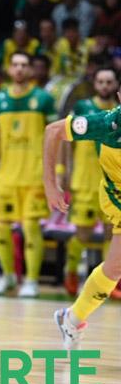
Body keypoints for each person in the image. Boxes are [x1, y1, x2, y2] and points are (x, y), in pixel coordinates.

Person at [43, 91, 121, 350]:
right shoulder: (107, 123)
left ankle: (72, 319)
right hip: (117, 196)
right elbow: (53, 130)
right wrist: (51, 184)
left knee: (113, 269)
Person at [0, 51, 56, 297]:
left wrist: (57, 172)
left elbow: (55, 136)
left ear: (31, 70)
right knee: (1, 227)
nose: (20, 69)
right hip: (6, 177)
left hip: (34, 175)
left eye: (25, 65)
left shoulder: (43, 99)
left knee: (31, 227)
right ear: (9, 69)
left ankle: (32, 280)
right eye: (15, 65)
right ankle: (8, 276)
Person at [62, 68, 117, 295]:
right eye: (101, 81)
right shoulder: (83, 107)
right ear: (95, 84)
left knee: (112, 232)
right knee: (82, 233)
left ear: (115, 85)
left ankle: (112, 283)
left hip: (113, 182)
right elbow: (65, 138)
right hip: (84, 181)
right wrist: (63, 169)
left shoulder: (118, 111)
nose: (105, 85)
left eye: (109, 82)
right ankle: (71, 271)